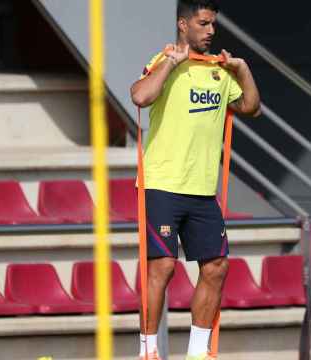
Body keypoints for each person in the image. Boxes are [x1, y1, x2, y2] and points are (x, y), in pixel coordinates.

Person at [130, 0, 261, 359]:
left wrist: (243, 69)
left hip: (203, 190)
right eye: (203, 24)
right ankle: (148, 350)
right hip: (163, 184)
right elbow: (140, 96)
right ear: (183, 24)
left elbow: (250, 106)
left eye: (213, 24)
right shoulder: (166, 61)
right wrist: (171, 62)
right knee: (164, 266)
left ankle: (198, 352)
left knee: (217, 266)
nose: (211, 31)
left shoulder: (218, 70)